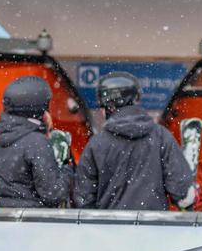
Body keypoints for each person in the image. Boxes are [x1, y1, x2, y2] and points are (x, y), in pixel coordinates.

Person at [75, 72, 195, 211]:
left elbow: (83, 198)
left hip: (108, 229)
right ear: (137, 98)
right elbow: (182, 192)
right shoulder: (161, 137)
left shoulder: (96, 145)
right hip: (154, 228)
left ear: (105, 107)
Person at [0, 75, 73, 208]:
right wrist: (67, 167)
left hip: (0, 216)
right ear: (39, 108)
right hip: (31, 221)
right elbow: (53, 194)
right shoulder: (36, 142)